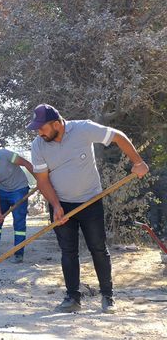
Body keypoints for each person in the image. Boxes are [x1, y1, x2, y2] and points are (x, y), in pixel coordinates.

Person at [26, 103, 149, 314]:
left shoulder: (83, 129)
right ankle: (73, 297)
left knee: (99, 248)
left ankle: (107, 297)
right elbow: (43, 180)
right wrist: (55, 206)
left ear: (56, 123)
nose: (39, 132)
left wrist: (138, 162)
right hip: (61, 204)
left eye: (42, 127)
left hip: (91, 201)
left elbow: (117, 136)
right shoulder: (38, 145)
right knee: (68, 251)